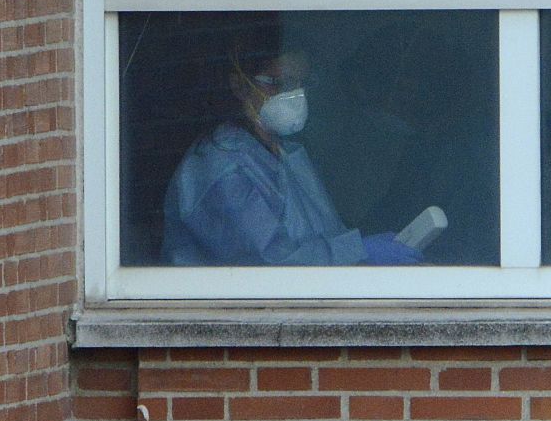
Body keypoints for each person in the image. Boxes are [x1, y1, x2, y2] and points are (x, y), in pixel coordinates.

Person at [161, 45, 423, 266]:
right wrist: (357, 251)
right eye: (278, 83)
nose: (294, 95)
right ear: (240, 86)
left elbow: (320, 233)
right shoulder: (222, 168)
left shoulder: (284, 151)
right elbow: (268, 264)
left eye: (301, 83)